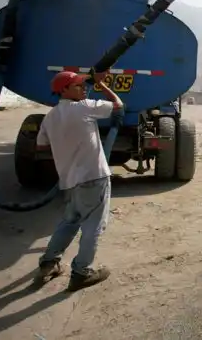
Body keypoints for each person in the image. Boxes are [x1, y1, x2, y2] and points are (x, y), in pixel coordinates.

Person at [35, 70, 123, 291]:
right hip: (94, 176)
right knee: (93, 227)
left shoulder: (50, 117)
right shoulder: (84, 107)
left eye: (84, 85)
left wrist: (66, 151)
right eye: (78, 85)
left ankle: (48, 263)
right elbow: (118, 106)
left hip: (69, 180)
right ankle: (82, 273)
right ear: (63, 90)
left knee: (70, 221)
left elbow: (41, 147)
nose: (84, 88)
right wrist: (102, 85)